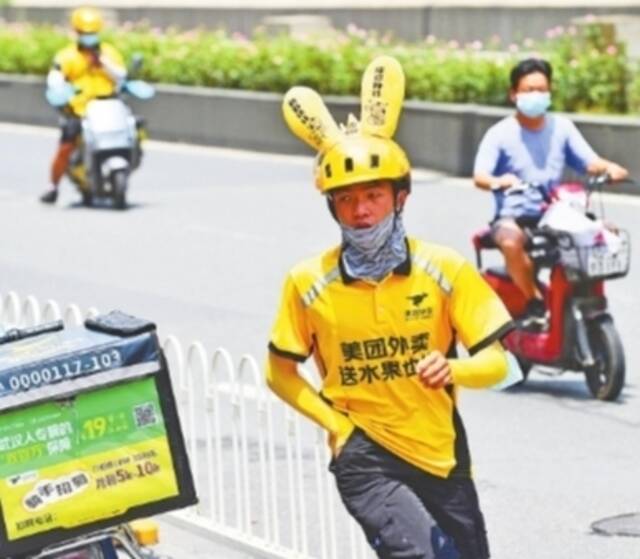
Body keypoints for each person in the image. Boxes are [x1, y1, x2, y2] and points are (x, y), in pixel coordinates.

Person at [266, 56, 515, 559]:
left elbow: (501, 363)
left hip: (441, 453)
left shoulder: (444, 269)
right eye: (347, 200)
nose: (361, 212)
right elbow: (281, 373)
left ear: (400, 197)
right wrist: (338, 428)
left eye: (374, 195)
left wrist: (455, 367)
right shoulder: (308, 282)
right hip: (365, 455)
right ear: (331, 206)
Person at [473, 58, 628, 321]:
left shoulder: (562, 127)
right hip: (513, 217)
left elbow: (589, 161)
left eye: (541, 90)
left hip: (554, 213)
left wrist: (610, 168)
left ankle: (582, 299)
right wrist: (501, 181)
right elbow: (480, 176)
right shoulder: (499, 133)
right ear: (514, 94)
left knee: (603, 232)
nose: (536, 95)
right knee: (511, 241)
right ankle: (534, 300)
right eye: (529, 90)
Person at [41, 6, 126, 204]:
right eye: (85, 33)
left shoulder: (108, 53)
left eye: (92, 34)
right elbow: (55, 77)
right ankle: (53, 186)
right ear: (77, 32)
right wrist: (59, 90)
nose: (89, 37)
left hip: (107, 108)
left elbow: (121, 75)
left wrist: (102, 63)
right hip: (80, 111)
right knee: (66, 146)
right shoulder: (67, 56)